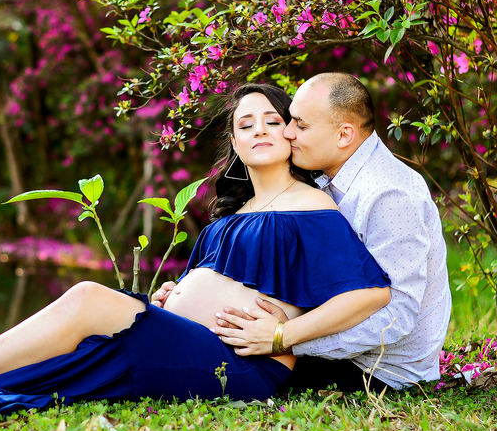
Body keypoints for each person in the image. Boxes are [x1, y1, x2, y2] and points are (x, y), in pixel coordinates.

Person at [0, 83, 394, 426]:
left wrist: (281, 338)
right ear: (236, 145)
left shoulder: (310, 207)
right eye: (246, 124)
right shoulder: (229, 217)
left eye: (274, 119)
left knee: (88, 298)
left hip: (243, 369)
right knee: (56, 350)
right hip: (192, 342)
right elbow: (217, 285)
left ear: (291, 135)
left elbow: (371, 291)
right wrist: (174, 295)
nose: (261, 128)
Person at [160, 73, 451, 392]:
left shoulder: (388, 194)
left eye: (300, 125)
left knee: (204, 369)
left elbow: (398, 314)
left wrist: (284, 338)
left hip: (375, 371)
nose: (286, 132)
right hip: (327, 350)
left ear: (344, 135)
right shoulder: (326, 181)